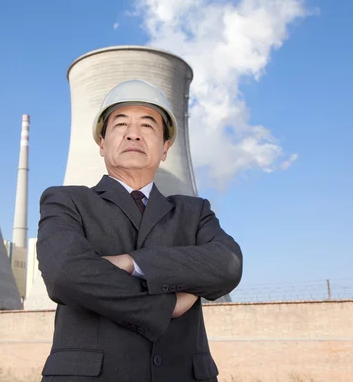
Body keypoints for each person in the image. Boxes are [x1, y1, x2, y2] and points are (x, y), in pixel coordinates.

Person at [36, 79, 243, 382]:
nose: (133, 133)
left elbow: (228, 265)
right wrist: (167, 304)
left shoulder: (193, 212)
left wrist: (130, 263)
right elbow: (64, 274)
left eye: (147, 126)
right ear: (102, 143)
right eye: (121, 124)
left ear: (166, 148)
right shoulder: (66, 201)